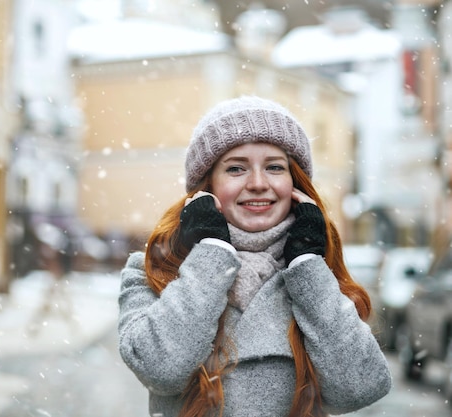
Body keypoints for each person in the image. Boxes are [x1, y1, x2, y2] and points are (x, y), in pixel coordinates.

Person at [117, 96, 392, 417]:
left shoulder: (317, 269)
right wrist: (211, 254)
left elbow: (360, 389)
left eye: (275, 167)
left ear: (295, 183)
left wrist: (306, 266)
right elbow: (161, 371)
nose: (259, 184)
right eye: (236, 168)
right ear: (208, 185)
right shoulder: (154, 270)